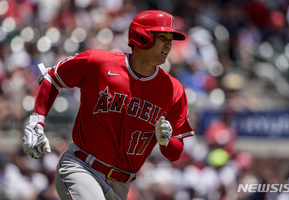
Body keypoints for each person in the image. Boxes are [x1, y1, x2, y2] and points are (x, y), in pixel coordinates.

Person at [23, 10, 194, 200]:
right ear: (142, 36)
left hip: (122, 185)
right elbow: (53, 78)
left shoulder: (173, 89)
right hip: (82, 168)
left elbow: (174, 153)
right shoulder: (99, 63)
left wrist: (165, 140)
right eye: (162, 37)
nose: (169, 44)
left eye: (171, 38)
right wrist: (36, 122)